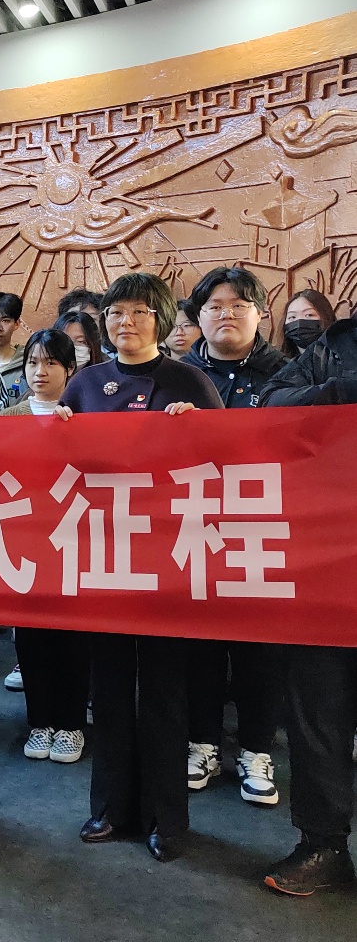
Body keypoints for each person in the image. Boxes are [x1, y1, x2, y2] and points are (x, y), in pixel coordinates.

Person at [61, 272, 222, 862]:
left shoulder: (188, 379)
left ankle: (167, 818)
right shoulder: (85, 383)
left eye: (138, 312)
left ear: (161, 319)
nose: (124, 322)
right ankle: (110, 808)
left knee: (162, 689)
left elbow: (227, 458)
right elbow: (60, 463)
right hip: (103, 554)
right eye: (114, 313)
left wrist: (197, 430)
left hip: (165, 557)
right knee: (107, 686)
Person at [179, 266, 289, 804]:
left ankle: (255, 749)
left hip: (262, 525)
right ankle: (202, 742)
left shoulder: (288, 373)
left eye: (239, 305)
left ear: (260, 314)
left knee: (258, 646)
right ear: (198, 317)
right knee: (199, 643)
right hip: (194, 523)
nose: (226, 315)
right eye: (215, 306)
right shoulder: (176, 375)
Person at [260, 315, 357, 895]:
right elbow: (273, 403)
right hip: (327, 569)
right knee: (318, 717)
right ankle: (323, 845)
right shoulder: (335, 346)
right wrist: (338, 392)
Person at [0, 329, 90, 763]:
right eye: (33, 362)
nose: (40, 371)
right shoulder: (7, 417)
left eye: (51, 363)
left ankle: (71, 724)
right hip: (25, 542)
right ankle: (40, 722)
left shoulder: (86, 415)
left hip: (75, 542)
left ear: (70, 369)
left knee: (72, 637)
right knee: (31, 638)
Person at [280, 289, 336, 360]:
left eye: (309, 315)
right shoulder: (279, 362)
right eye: (292, 317)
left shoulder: (342, 361)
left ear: (326, 317)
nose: (299, 322)